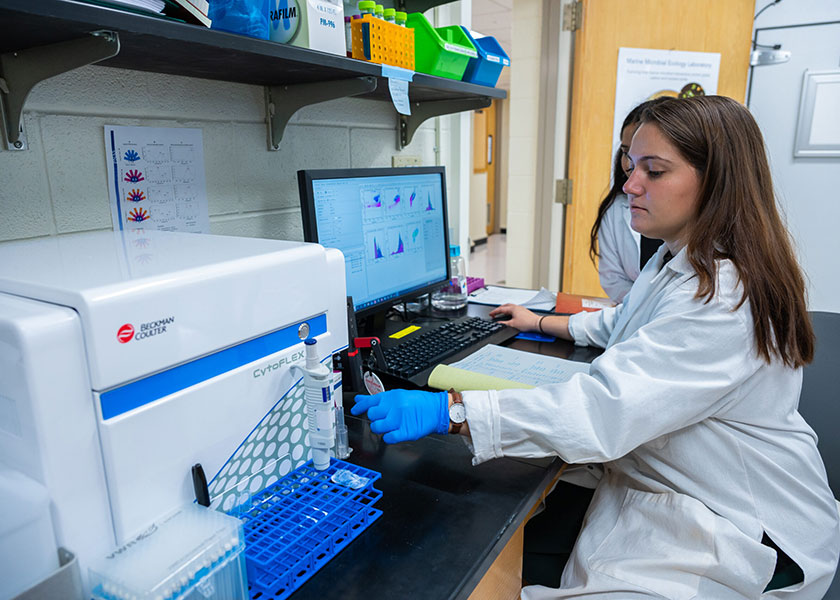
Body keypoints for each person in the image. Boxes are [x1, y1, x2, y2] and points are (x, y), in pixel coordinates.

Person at [351, 96, 840, 598]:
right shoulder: (681, 260)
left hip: (743, 529)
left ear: (716, 181)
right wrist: (544, 321)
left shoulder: (725, 297)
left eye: (654, 170)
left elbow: (606, 410)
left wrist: (453, 412)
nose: (630, 185)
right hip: (678, 487)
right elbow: (630, 325)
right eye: (631, 166)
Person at [591, 99, 668, 303]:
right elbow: (613, 280)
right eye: (626, 153)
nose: (629, 186)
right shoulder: (617, 208)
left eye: (654, 169)